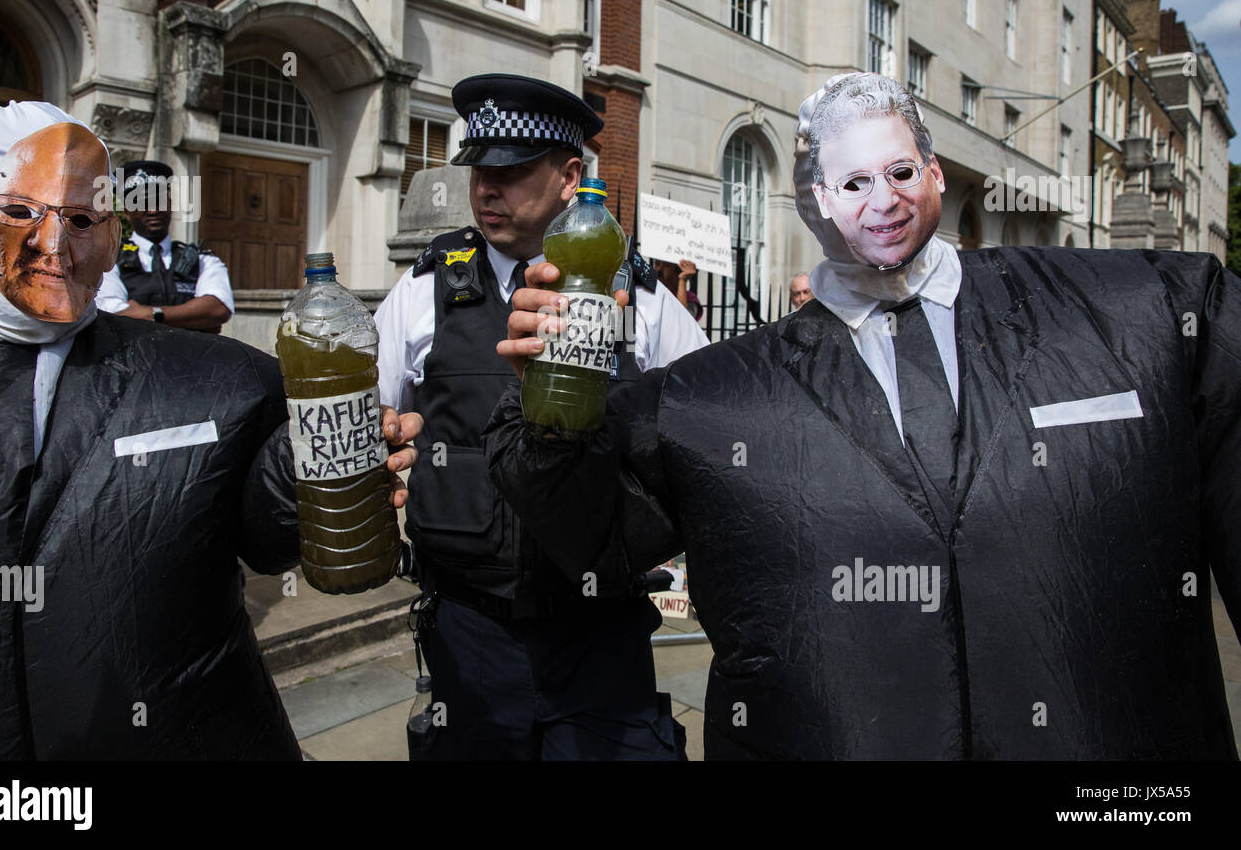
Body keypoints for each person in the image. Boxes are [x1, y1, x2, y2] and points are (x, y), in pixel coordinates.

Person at [487, 72, 1241, 760]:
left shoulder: (1150, 315)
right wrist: (549, 404)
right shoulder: (713, 398)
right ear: (817, 198)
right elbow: (588, 534)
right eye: (854, 182)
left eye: (902, 172)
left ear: (936, 171)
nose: (885, 200)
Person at [0, 102, 421, 759]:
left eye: (82, 220)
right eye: (21, 212)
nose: (55, 247)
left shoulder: (221, 383)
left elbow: (266, 533)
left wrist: (298, 470)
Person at [375, 73, 709, 760]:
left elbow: (708, 430)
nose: (488, 189)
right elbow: (373, 423)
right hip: (470, 627)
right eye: (479, 171)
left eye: (514, 170)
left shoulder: (636, 297)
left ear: (569, 176)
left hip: (598, 631)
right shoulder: (424, 290)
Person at [95, 160, 233, 333]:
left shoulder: (203, 261)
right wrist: (194, 317)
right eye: (142, 203)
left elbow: (218, 309)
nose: (152, 211)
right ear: (126, 212)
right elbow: (113, 318)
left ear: (170, 204)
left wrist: (153, 314)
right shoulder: (109, 262)